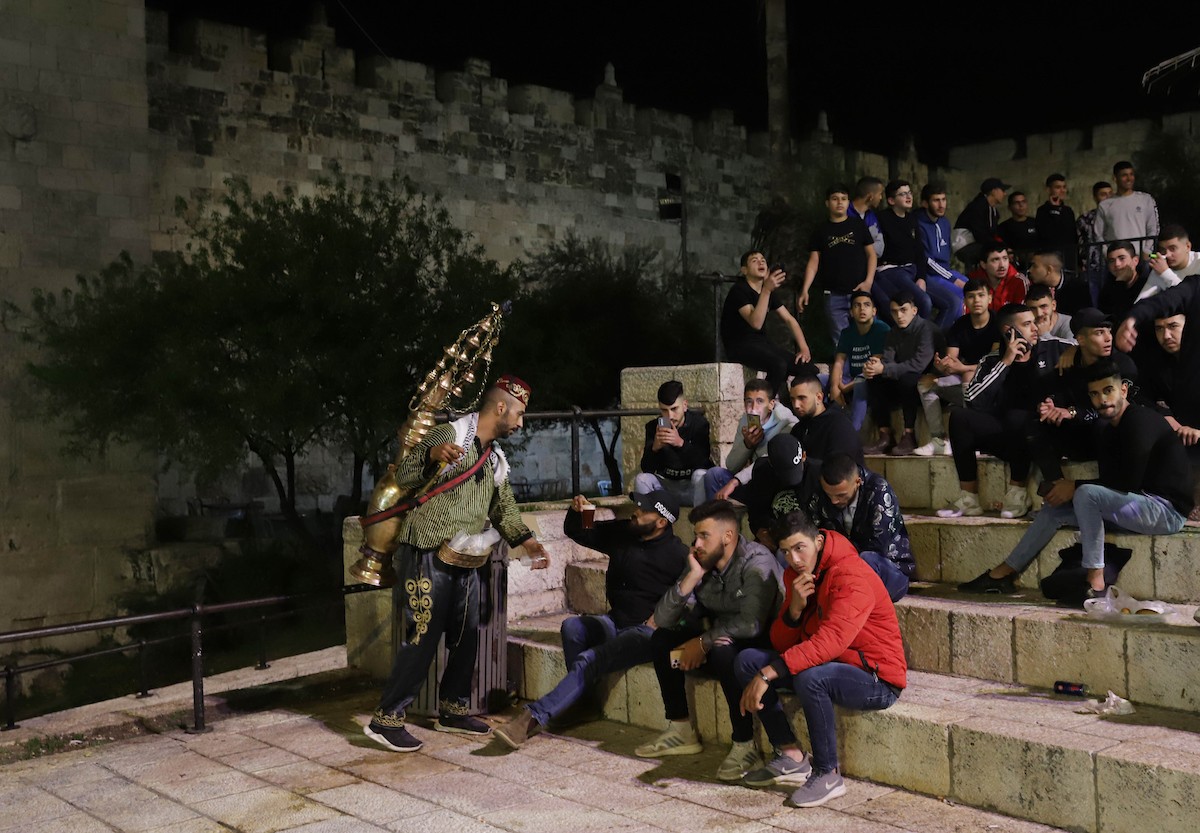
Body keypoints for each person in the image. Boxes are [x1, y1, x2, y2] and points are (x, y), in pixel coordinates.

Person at [363, 375, 550, 753]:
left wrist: (528, 542)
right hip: (427, 550)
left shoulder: (494, 458)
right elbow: (405, 474)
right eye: (519, 414)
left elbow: (504, 508)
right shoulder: (450, 433)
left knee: (467, 635)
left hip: (466, 556)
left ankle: (453, 709)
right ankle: (386, 719)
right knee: (423, 635)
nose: (520, 423)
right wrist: (433, 454)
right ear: (501, 407)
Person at [959, 359, 1191, 596]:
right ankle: (1003, 574)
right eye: (1095, 394)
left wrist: (1075, 486)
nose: (1102, 399)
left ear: (1123, 390)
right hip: (1134, 505)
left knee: (1086, 494)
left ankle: (1095, 581)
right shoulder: (1108, 428)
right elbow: (1112, 483)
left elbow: (1127, 482)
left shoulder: (1139, 420)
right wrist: (1067, 490)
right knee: (1053, 511)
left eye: (1108, 390)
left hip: (1165, 511)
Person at [734, 513, 905, 808]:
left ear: (818, 541)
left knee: (811, 677)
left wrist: (769, 674)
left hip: (875, 677)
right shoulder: (797, 576)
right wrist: (794, 611)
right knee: (747, 660)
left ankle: (828, 773)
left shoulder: (852, 575)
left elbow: (831, 641)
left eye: (799, 548)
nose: (794, 559)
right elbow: (782, 643)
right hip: (829, 664)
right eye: (786, 552)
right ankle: (791, 755)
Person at [494, 490, 688, 748]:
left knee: (590, 659)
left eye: (643, 511)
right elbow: (581, 533)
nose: (636, 512)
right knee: (573, 627)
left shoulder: (678, 555)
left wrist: (662, 622)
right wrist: (578, 513)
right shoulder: (625, 532)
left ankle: (531, 719)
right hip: (615, 622)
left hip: (646, 634)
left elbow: (688, 602)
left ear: (661, 522)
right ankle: (583, 703)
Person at [634, 500, 782, 782]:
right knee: (663, 640)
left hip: (759, 648)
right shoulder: (702, 561)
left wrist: (703, 642)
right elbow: (662, 619)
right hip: (717, 641)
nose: (697, 543)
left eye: (704, 535)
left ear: (728, 536)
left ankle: (745, 745)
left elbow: (752, 624)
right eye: (696, 535)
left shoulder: (756, 561)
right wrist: (692, 577)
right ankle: (681, 729)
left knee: (724, 651)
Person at [939, 304, 1072, 520]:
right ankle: (969, 498)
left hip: (1043, 432)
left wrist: (1075, 351)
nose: (1035, 328)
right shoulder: (992, 359)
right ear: (1009, 331)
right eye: (1027, 324)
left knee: (1018, 417)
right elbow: (973, 400)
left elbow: (1086, 345)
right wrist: (1006, 362)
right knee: (959, 417)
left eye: (1034, 322)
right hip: (1005, 434)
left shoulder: (1053, 348)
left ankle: (1017, 492)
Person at [810, 453, 914, 601]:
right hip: (841, 570)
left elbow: (877, 545)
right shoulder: (821, 494)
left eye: (841, 495)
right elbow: (817, 532)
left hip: (888, 570)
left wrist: (838, 556)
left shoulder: (878, 490)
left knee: (866, 558)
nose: (834, 501)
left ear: (857, 482)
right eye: (829, 495)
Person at [916, 279, 1000, 456]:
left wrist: (962, 368)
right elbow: (952, 360)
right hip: (965, 380)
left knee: (969, 376)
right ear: (965, 301)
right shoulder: (960, 325)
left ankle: (974, 440)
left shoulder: (997, 324)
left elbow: (994, 364)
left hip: (992, 384)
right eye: (971, 296)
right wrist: (943, 366)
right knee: (925, 384)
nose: (976, 300)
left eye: (981, 295)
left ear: (989, 298)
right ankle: (939, 439)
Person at [720, 251, 812, 397]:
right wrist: (767, 290)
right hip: (739, 345)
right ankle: (761, 405)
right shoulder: (739, 290)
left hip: (761, 344)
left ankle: (792, 403)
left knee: (807, 369)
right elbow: (756, 323)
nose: (761, 262)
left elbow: (790, 320)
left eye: (763, 259)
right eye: (754, 260)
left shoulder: (766, 292)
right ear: (744, 270)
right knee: (778, 365)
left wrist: (804, 348)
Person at [798, 184, 877, 346]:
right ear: (827, 203)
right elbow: (813, 262)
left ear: (848, 202)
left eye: (843, 199)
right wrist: (805, 289)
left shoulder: (858, 225)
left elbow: (871, 255)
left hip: (859, 292)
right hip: (833, 295)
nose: (839, 202)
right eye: (835, 199)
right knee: (841, 344)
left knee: (868, 340)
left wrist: (868, 281)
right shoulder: (821, 230)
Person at [862, 292, 937, 456]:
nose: (899, 316)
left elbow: (918, 364)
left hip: (926, 380)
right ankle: (885, 435)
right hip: (901, 379)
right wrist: (874, 366)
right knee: (874, 378)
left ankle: (909, 435)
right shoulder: (893, 333)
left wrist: (885, 368)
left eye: (903, 310)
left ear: (914, 310)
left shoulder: (926, 329)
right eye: (895, 311)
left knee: (908, 379)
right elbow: (888, 360)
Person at [705, 379, 798, 501]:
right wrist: (747, 445)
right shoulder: (745, 420)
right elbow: (731, 466)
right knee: (714, 474)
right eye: (749, 402)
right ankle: (714, 512)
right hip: (751, 480)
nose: (753, 408)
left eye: (760, 401)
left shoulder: (786, 423)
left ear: (771, 404)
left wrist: (735, 481)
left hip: (771, 482)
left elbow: (767, 461)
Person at [636, 380, 713, 507]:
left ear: (684, 405)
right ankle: (651, 519)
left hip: (691, 487)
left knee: (701, 475)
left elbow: (703, 462)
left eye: (674, 409)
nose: (670, 416)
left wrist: (680, 443)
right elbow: (647, 468)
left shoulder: (698, 424)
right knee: (641, 479)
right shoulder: (654, 427)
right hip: (666, 488)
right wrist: (654, 448)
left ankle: (700, 518)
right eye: (664, 410)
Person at [872, 179, 937, 325]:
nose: (908, 197)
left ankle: (930, 335)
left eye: (909, 193)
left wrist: (921, 277)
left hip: (912, 270)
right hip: (892, 270)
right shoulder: (882, 218)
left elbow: (919, 251)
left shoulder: (912, 219)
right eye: (902, 194)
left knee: (952, 301)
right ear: (891, 200)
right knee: (924, 301)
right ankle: (916, 335)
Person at [829, 291, 890, 431]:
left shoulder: (881, 329)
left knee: (860, 384)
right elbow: (839, 362)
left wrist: (845, 387)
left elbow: (873, 367)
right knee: (820, 380)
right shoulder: (847, 332)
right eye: (857, 305)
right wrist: (834, 387)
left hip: (872, 379)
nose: (862, 309)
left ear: (874, 311)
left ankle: (853, 432)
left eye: (867, 305)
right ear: (851, 312)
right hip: (851, 379)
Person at [788, 372, 865, 466]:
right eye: (792, 399)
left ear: (819, 397)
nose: (796, 405)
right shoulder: (798, 429)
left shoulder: (839, 425)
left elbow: (841, 467)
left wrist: (806, 462)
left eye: (802, 398)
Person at [1093, 160, 1159, 256]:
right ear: (1115, 178)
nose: (1129, 178)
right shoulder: (1105, 205)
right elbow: (1098, 234)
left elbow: (1152, 227)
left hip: (1141, 257)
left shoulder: (1145, 199)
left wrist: (1147, 251)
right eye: (1124, 175)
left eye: (1131, 174)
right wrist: (1107, 253)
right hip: (1117, 259)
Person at [917, 183, 970, 294]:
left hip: (946, 272)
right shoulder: (918, 224)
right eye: (936, 200)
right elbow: (927, 260)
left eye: (943, 200)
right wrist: (953, 279)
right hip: (930, 275)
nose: (941, 205)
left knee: (974, 288)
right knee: (959, 296)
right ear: (925, 203)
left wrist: (951, 276)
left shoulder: (945, 222)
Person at [954, 177, 1009, 267]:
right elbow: (979, 233)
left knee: (999, 251)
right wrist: (997, 245)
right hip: (965, 245)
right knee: (996, 253)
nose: (1005, 193)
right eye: (1002, 190)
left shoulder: (992, 210)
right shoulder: (977, 207)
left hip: (977, 243)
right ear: (994, 191)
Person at [1137, 225, 1200, 302]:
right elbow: (1142, 300)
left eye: (1173, 248)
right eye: (1163, 250)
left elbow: (1194, 300)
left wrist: (1166, 273)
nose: (1167, 255)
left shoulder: (1198, 261)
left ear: (1188, 246)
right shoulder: (1161, 267)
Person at [1026, 249, 1091, 316]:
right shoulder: (1034, 288)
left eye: (1034, 266)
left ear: (1049, 269)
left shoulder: (1078, 288)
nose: (1030, 270)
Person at [1077, 180, 1113, 302]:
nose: (1108, 197)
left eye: (1110, 194)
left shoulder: (1119, 217)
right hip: (1093, 265)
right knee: (1095, 299)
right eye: (1103, 194)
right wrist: (1082, 263)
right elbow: (1081, 243)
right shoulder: (1085, 218)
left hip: (1115, 264)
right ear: (1095, 197)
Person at [1097, 241, 1151, 320]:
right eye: (1112, 261)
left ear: (1135, 261)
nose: (1117, 264)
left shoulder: (1148, 284)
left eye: (1122, 258)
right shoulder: (1108, 290)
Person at [1035, 173, 1078, 269]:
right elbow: (1046, 234)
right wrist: (1054, 210)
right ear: (1048, 189)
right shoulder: (1042, 211)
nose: (1062, 190)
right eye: (1058, 187)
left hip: (1069, 259)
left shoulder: (1068, 211)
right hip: (1050, 259)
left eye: (1064, 187)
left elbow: (1073, 236)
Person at [976, 242, 1028, 310]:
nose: (1002, 265)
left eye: (1005, 258)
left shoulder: (1019, 281)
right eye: (996, 260)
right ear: (983, 264)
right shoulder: (973, 280)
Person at [997, 191, 1039, 270]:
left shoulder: (1036, 223)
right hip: (1016, 267)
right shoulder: (1004, 227)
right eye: (1017, 203)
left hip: (1038, 265)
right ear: (1010, 207)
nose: (1021, 205)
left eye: (1023, 202)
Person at [848, 175, 885, 258]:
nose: (881, 198)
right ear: (870, 197)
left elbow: (879, 248)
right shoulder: (845, 212)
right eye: (880, 194)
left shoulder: (871, 216)